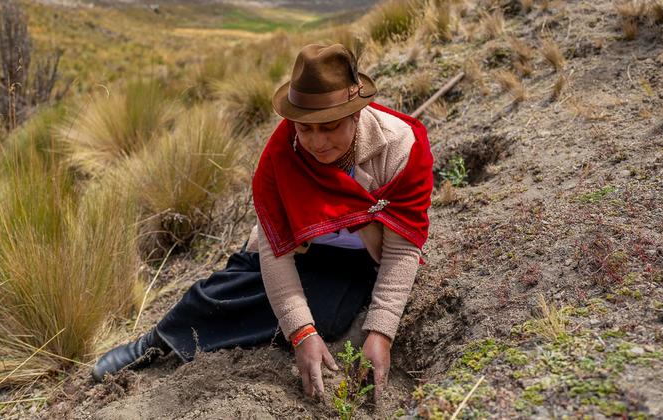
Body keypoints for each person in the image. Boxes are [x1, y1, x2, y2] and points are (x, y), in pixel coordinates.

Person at [92, 43, 434, 402]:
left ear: (356, 115)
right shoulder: (281, 156)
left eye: (330, 127)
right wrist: (301, 333)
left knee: (328, 316)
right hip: (303, 245)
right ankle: (158, 340)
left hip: (361, 256)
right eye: (305, 129)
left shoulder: (400, 149)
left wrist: (380, 334)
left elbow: (402, 248)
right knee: (223, 292)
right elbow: (275, 250)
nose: (317, 143)